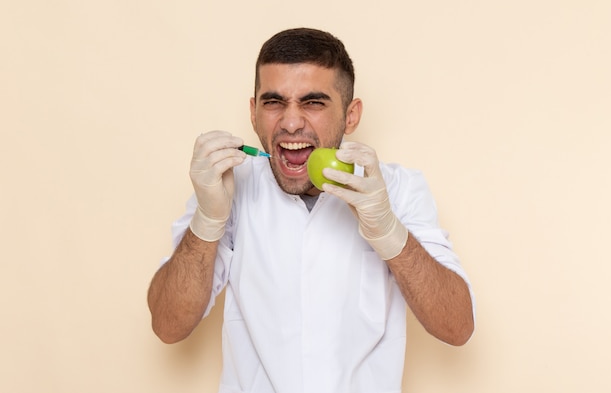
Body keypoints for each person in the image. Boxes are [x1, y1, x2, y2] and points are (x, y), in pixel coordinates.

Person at [148, 27, 475, 393]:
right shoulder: (226, 185)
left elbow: (457, 327)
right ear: (254, 113)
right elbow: (167, 324)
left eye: (313, 102)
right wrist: (207, 222)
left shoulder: (399, 189)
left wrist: (388, 232)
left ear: (351, 116)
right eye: (274, 102)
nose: (290, 122)